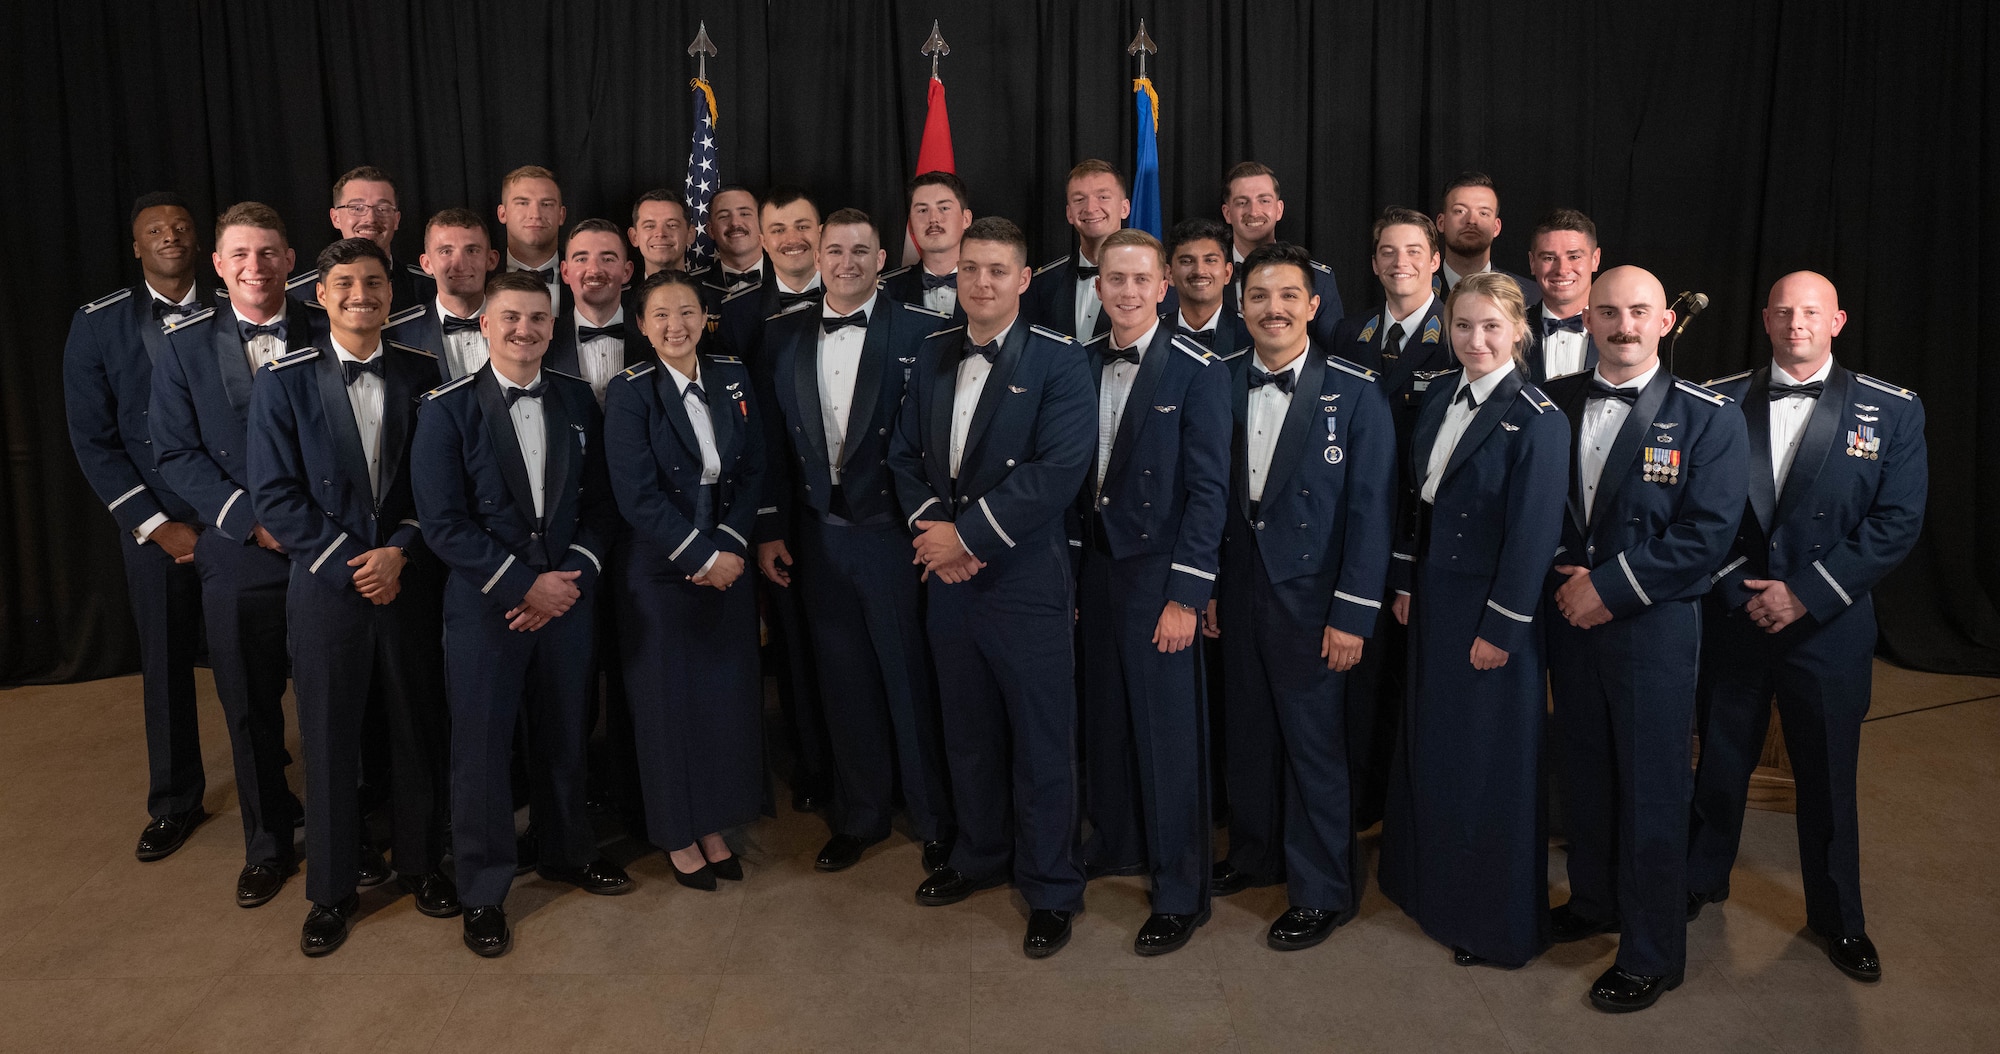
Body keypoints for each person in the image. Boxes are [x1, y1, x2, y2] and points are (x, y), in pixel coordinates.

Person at [1686, 271, 1926, 984]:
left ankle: (1838, 917)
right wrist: (1741, 589)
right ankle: (1698, 880)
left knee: (1827, 777)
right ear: (1765, 319)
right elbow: (1699, 509)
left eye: (1812, 312)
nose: (1797, 323)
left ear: (1837, 321)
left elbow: (1896, 522)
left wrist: (1805, 594)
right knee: (1719, 761)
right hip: (1737, 614)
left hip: (1829, 624)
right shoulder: (1718, 399)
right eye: (1784, 311)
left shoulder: (1892, 409)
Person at [888, 216, 1096, 958]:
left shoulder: (1061, 361)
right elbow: (903, 455)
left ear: (1024, 279)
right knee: (967, 729)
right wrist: (934, 535)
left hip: (1022, 579)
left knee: (1042, 741)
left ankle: (1051, 886)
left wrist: (966, 538)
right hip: (947, 576)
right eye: (970, 269)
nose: (980, 282)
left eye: (997, 270)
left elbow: (1058, 471)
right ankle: (979, 854)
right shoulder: (933, 349)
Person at [1541, 264, 1748, 1012]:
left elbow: (1707, 535)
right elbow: (1532, 501)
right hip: (1568, 617)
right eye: (1608, 312)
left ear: (1665, 322)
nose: (1623, 325)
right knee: (1586, 772)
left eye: (1639, 311)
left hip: (1652, 625)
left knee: (1652, 790)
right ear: (1586, 321)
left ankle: (1653, 952)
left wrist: (1607, 588)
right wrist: (1560, 574)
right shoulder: (1553, 399)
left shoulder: (1710, 415)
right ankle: (1593, 900)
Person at [411, 270, 632, 959]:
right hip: (487, 608)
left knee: (566, 732)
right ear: (485, 324)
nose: (524, 330)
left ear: (552, 327)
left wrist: (568, 580)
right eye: (510, 317)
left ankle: (567, 849)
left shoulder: (576, 397)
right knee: (481, 750)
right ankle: (482, 888)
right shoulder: (446, 409)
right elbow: (442, 524)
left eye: (538, 319)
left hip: (566, 598)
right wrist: (521, 586)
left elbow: (602, 505)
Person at [246, 238, 458, 955]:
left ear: (392, 294)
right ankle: (332, 890)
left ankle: (422, 864)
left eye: (373, 282)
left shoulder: (424, 372)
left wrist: (399, 552)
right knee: (331, 738)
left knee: (416, 727)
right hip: (327, 588)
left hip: (406, 580)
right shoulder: (283, 381)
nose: (360, 294)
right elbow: (275, 494)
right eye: (344, 283)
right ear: (320, 294)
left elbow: (437, 481)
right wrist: (351, 565)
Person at [754, 209, 957, 875]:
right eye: (835, 251)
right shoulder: (781, 333)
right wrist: (771, 527)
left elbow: (939, 444)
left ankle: (933, 818)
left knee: (909, 679)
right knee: (842, 682)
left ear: (881, 260)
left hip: (895, 535)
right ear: (817, 256)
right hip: (818, 536)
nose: (846, 263)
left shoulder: (924, 331)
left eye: (860, 251)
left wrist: (932, 528)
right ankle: (861, 815)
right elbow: (770, 444)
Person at [1377, 272, 1570, 968]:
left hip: (1491, 611)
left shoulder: (1541, 418)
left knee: (1490, 765)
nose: (1476, 339)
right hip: (1434, 598)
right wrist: (1406, 581)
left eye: (1491, 326)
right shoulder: (1437, 395)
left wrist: (1502, 629)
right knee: (1436, 747)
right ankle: (1429, 891)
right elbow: (1415, 502)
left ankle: (1491, 923)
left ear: (1519, 332)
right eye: (1463, 325)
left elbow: (1533, 538)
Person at [1207, 243, 1396, 951]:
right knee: (1249, 732)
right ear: (1241, 305)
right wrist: (1209, 587)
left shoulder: (1357, 390)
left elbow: (1372, 514)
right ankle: (1255, 853)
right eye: (1259, 296)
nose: (1273, 309)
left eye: (1288, 295)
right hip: (1241, 588)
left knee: (1314, 746)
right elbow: (1209, 497)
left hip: (1316, 601)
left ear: (1314, 306)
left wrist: (1353, 614)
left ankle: (1323, 890)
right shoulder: (1219, 378)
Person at [151, 201, 316, 908]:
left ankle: (350, 830)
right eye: (241, 254)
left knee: (342, 694)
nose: (256, 266)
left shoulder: (327, 325)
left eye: (269, 252)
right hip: (241, 549)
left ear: (290, 259)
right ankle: (268, 843)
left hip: (324, 542)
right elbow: (174, 452)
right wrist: (252, 523)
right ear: (218, 265)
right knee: (249, 704)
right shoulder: (183, 346)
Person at [1073, 229, 1230, 955]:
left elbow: (1209, 492)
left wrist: (1186, 596)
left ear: (1164, 286)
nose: (1129, 291)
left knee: (1169, 738)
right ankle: (1117, 842)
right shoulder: (1079, 361)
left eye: (1142, 279)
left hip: (1159, 576)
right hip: (1097, 569)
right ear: (1098, 286)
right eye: (1116, 279)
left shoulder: (1199, 369)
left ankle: (1180, 891)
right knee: (1105, 720)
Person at [604, 269, 767, 890]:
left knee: (722, 702)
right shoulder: (630, 391)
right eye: (661, 315)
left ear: (705, 318)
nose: (676, 326)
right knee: (666, 707)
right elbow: (636, 496)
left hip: (726, 560)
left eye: (687, 312)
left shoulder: (732, 375)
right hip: (661, 567)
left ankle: (713, 823)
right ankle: (677, 832)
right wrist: (700, 556)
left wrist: (730, 547)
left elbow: (753, 469)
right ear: (642, 326)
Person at [62, 192, 210, 862]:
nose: (170, 236)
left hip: (236, 519)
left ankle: (272, 787)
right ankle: (176, 802)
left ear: (197, 239)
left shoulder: (236, 305)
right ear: (136, 246)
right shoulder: (99, 324)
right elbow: (93, 440)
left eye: (180, 226)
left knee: (259, 663)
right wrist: (153, 525)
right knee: (168, 666)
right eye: (155, 230)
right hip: (159, 523)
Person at [1326, 207, 1449, 832]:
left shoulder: (1460, 332)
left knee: (1414, 683)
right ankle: (1359, 801)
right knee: (1362, 679)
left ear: (1435, 260)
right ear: (1374, 263)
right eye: (1388, 252)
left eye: (1413, 251)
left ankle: (1405, 813)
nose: (1401, 263)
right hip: (1356, 526)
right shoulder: (1350, 333)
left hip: (1426, 536)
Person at [1217, 162, 1343, 341]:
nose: (1253, 212)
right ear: (1227, 213)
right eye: (1242, 202)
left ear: (1279, 209)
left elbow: (1329, 350)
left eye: (1264, 201)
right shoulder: (1207, 276)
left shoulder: (1320, 280)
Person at [290, 166, 431, 318]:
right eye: (357, 208)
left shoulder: (430, 290)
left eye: (382, 209)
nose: (370, 218)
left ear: (396, 220)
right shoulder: (297, 298)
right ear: (335, 218)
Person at [547, 218, 650, 406]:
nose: (594, 270)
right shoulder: (545, 340)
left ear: (627, 271)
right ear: (565, 272)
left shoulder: (652, 336)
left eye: (608, 259)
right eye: (581, 259)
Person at [1025, 159, 1129, 339]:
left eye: (1103, 197)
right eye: (1079, 199)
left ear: (1124, 208)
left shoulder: (1151, 285)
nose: (1090, 208)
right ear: (1069, 213)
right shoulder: (1042, 285)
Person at [399, 208, 499, 382]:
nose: (460, 265)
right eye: (446, 251)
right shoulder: (401, 338)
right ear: (426, 264)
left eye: (472, 250)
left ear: (491, 260)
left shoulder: (520, 328)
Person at [1432, 171, 1540, 306]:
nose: (1471, 220)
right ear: (1441, 223)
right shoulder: (1418, 292)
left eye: (1483, 213)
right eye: (1460, 211)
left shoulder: (1529, 297)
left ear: (1496, 227)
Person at [879, 171, 972, 321]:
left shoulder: (992, 285)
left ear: (966, 219)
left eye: (944, 208)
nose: (933, 219)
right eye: (922, 210)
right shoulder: (886, 291)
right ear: (910, 225)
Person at [1523, 209, 1602, 383]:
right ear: (1532, 263)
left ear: (1595, 259)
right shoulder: (1510, 329)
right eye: (1549, 258)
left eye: (1574, 257)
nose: (1562, 270)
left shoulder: (1617, 329)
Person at [1165, 218, 1247, 357]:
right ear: (1169, 274)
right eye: (1187, 261)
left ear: (1227, 273)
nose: (1199, 271)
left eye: (1210, 260)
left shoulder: (1252, 334)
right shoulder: (1151, 334)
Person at [496, 165, 568, 309]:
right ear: (502, 213)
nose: (535, 214)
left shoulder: (583, 275)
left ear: (561, 215)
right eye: (523, 203)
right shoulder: (480, 277)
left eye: (546, 204)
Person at [697, 184, 765, 309]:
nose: (735, 223)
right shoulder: (694, 287)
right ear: (711, 230)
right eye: (723, 216)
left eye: (744, 214)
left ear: (762, 223)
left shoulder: (790, 277)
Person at [627, 189, 695, 280]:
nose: (661, 233)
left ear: (690, 234)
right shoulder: (618, 290)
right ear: (634, 237)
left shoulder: (709, 289)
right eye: (649, 226)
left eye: (672, 225)